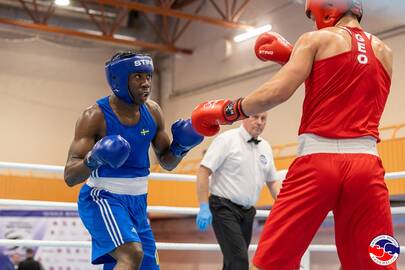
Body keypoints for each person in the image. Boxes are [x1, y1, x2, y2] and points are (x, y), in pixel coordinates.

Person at [191, 0, 398, 269]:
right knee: (376, 262)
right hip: (367, 165)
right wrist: (296, 59)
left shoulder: (315, 39)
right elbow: (345, 84)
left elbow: (276, 92)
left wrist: (230, 110)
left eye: (313, 16)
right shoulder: (386, 52)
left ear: (327, 9)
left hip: (318, 163)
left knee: (270, 262)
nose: (313, 22)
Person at [64, 51, 203, 270]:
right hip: (103, 198)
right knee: (131, 255)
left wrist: (181, 146)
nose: (146, 83)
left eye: (148, 76)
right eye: (138, 76)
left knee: (146, 266)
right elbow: (69, 176)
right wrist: (95, 158)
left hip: (138, 202)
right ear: (119, 79)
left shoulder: (153, 112)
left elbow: (167, 162)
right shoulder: (94, 116)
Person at [195, 112, 280, 270]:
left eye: (264, 118)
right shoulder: (226, 140)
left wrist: (284, 205)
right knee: (239, 261)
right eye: (255, 117)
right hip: (223, 208)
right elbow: (203, 171)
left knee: (232, 263)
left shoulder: (265, 147)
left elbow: (273, 181)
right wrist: (203, 206)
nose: (260, 122)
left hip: (248, 213)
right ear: (245, 117)